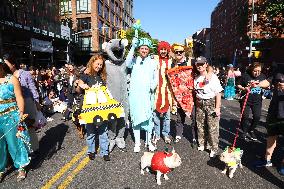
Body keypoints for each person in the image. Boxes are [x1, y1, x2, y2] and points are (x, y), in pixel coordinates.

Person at [0, 56, 30, 181]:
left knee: (14, 143)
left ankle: (21, 166)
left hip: (11, 116)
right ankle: (1, 169)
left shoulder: (12, 79)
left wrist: (21, 112)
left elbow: (19, 97)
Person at [3, 54, 40, 158]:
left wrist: (37, 102)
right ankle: (23, 151)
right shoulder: (5, 76)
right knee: (19, 128)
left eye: (6, 63)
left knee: (29, 125)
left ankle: (34, 148)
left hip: (27, 101)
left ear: (13, 64)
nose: (3, 66)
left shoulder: (25, 73)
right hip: (14, 104)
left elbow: (33, 88)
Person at [125, 37, 158, 152]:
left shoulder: (153, 62)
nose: (144, 50)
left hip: (147, 95)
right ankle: (137, 143)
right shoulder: (134, 61)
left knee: (148, 120)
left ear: (149, 50)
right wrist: (133, 46)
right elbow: (126, 63)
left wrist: (153, 85)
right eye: (142, 48)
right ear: (139, 49)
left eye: (146, 48)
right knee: (136, 119)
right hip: (135, 95)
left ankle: (149, 143)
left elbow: (156, 77)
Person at [76, 54, 110, 161]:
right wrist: (81, 85)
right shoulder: (85, 74)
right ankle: (91, 151)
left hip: (101, 109)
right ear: (92, 62)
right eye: (97, 64)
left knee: (103, 131)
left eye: (101, 64)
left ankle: (105, 152)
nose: (99, 66)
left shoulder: (102, 77)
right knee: (90, 132)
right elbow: (79, 87)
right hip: (89, 109)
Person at [255, 69, 284, 175]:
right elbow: (267, 82)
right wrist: (257, 84)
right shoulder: (279, 70)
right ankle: (267, 160)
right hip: (274, 113)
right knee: (271, 136)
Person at [194, 56, 223, 158]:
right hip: (200, 104)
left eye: (202, 64)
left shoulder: (213, 77)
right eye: (198, 64)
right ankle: (202, 143)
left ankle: (213, 148)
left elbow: (218, 93)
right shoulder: (196, 78)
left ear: (206, 64)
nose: (200, 66)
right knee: (200, 125)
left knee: (212, 127)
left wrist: (217, 107)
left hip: (211, 103)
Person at [237, 62, 270, 141]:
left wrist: (265, 88)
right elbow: (238, 84)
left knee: (257, 117)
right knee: (245, 117)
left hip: (257, 101)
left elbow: (267, 85)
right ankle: (244, 131)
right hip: (246, 100)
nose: (257, 73)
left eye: (259, 71)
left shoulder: (262, 76)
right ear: (251, 69)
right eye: (255, 71)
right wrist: (244, 88)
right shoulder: (245, 76)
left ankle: (251, 130)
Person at [152, 41, 173, 144]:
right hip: (156, 92)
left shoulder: (171, 61)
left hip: (167, 92)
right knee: (155, 116)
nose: (163, 51)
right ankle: (156, 134)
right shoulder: (154, 60)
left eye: (165, 49)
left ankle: (165, 134)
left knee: (167, 117)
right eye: (161, 49)